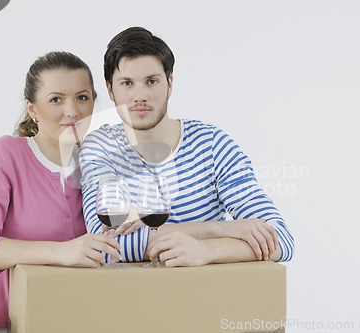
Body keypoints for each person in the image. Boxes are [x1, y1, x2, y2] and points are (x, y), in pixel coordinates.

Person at [80, 27, 294, 267]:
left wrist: (206, 251)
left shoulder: (212, 146)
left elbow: (280, 240)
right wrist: (222, 229)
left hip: (208, 298)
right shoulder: (100, 148)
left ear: (169, 83)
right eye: (127, 83)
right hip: (132, 299)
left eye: (151, 81)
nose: (139, 95)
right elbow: (105, 246)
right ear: (110, 89)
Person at [0, 51, 121, 329]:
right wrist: (61, 252)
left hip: (88, 318)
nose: (72, 111)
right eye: (56, 99)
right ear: (33, 109)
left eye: (82, 97)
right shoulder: (5, 155)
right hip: (13, 322)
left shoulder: (101, 161)